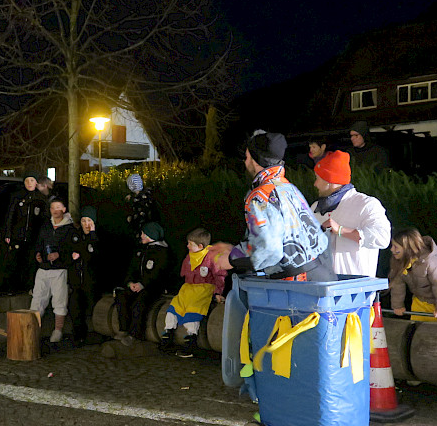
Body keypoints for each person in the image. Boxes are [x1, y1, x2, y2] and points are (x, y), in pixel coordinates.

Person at [221, 130, 331, 391]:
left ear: (254, 159)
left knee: (287, 357)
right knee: (318, 356)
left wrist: (231, 259)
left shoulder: (259, 196)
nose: (245, 161)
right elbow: (318, 238)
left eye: (247, 156)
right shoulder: (290, 188)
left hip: (294, 287)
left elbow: (267, 250)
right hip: (322, 276)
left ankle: (278, 404)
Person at [311, 150, 391, 277]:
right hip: (323, 285)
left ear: (330, 181)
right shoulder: (315, 207)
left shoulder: (367, 204)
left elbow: (383, 238)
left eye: (317, 178)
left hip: (357, 287)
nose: (315, 184)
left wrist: (341, 230)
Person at [160, 228, 228, 358]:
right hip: (188, 288)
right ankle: (168, 334)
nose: (187, 246)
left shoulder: (212, 257)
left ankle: (190, 340)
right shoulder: (189, 257)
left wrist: (217, 293)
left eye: (190, 244)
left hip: (204, 289)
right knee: (175, 306)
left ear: (200, 246)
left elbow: (219, 277)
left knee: (194, 308)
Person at [388, 227, 437, 322]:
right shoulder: (399, 263)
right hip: (421, 300)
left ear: (408, 248)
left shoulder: (431, 262)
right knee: (419, 325)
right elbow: (397, 285)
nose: (392, 249)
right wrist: (397, 306)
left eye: (396, 247)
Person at [114, 222, 171, 345]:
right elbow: (132, 269)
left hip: (152, 288)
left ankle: (134, 335)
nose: (141, 236)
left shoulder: (162, 252)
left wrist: (142, 284)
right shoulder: (141, 250)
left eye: (144, 234)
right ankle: (123, 329)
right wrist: (130, 283)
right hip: (136, 286)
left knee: (139, 303)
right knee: (122, 297)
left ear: (151, 235)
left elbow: (157, 273)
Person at [31, 196, 79, 343]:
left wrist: (60, 255)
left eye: (58, 207)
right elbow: (39, 243)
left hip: (60, 269)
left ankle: (58, 330)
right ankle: (32, 330)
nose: (55, 211)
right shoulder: (46, 226)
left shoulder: (70, 229)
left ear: (64, 209)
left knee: (59, 300)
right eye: (53, 208)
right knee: (37, 299)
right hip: (43, 269)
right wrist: (38, 255)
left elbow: (74, 250)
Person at [4, 174, 48, 291]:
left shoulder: (41, 198)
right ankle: (13, 288)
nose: (29, 183)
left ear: (36, 182)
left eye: (32, 180)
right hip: (17, 235)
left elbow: (44, 220)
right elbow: (10, 215)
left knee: (30, 263)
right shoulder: (17, 196)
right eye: (27, 180)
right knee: (14, 261)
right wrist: (8, 233)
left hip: (33, 237)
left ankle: (29, 287)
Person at [68, 207, 99, 344]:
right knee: (75, 307)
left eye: (89, 221)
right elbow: (71, 252)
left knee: (91, 307)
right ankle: (79, 335)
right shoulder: (76, 236)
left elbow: (92, 255)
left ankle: (96, 334)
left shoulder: (97, 237)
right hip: (77, 281)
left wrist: (92, 235)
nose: (86, 224)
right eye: (84, 221)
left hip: (92, 281)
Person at [124, 173, 159, 240]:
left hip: (143, 230)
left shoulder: (137, 200)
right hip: (153, 226)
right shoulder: (148, 194)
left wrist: (130, 219)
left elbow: (138, 217)